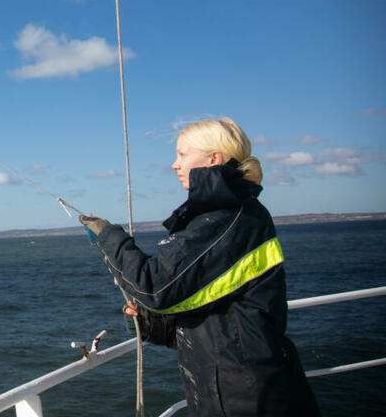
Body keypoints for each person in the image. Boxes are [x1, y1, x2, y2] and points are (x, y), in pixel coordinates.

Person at [79, 117, 320, 416]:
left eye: (182, 155)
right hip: (242, 390)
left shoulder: (226, 219)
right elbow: (225, 316)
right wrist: (154, 325)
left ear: (214, 159)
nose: (174, 165)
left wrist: (108, 237)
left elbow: (155, 287)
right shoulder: (235, 215)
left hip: (248, 399)